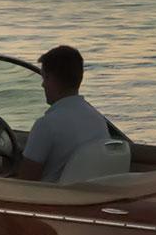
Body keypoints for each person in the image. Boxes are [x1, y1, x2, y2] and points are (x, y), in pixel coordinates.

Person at [13, 44, 118, 181]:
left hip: (49, 200)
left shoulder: (46, 125)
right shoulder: (97, 119)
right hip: (86, 197)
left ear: (51, 79)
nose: (42, 85)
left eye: (44, 78)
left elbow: (24, 184)